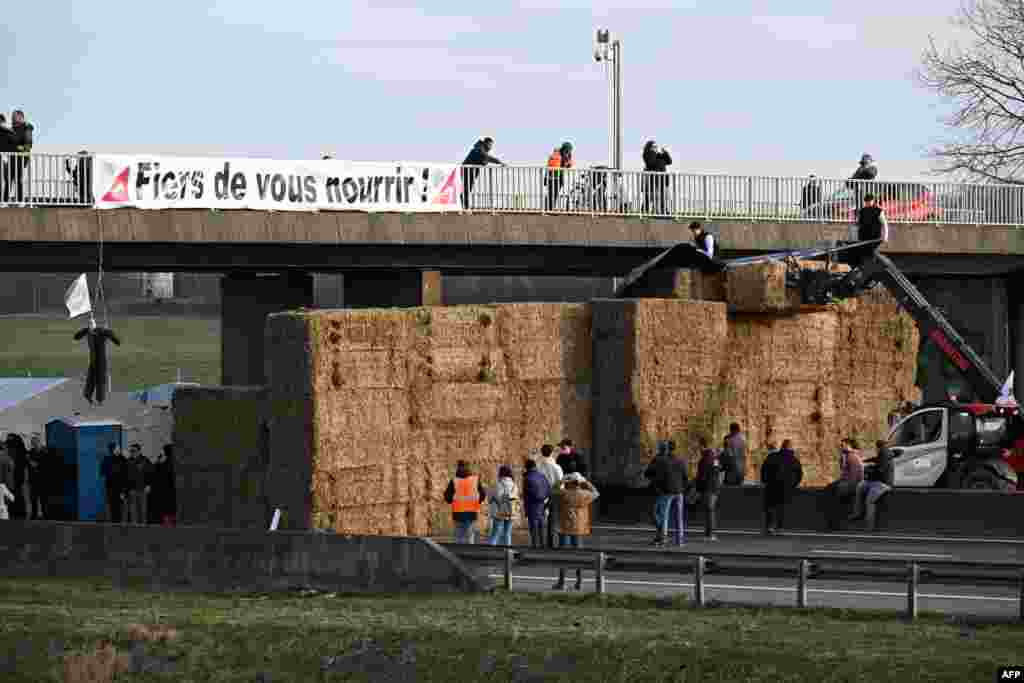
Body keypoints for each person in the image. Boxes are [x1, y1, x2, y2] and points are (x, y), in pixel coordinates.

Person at [551, 463, 600, 591]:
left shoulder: (563, 494)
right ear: (578, 483)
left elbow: (552, 490)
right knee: (579, 555)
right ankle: (579, 581)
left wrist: (561, 480)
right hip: (579, 527)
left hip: (565, 527)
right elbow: (596, 492)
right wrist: (585, 482)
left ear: (569, 483)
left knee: (563, 555)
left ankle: (561, 582)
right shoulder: (584, 494)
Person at [73, 320, 122, 405]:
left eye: (92, 324)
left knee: (101, 380)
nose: (91, 326)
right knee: (90, 379)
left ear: (95, 325)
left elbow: (115, 339)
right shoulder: (87, 331)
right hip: (92, 360)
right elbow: (76, 337)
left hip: (101, 361)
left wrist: (109, 332)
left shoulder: (101, 331)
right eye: (89, 325)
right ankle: (88, 395)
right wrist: (84, 330)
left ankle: (100, 399)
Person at [760, 439, 803, 534]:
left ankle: (769, 527)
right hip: (786, 487)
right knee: (781, 508)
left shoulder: (772, 456)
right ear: (791, 448)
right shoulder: (794, 460)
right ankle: (780, 528)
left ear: (782, 447)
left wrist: (765, 481)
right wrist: (793, 484)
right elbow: (799, 474)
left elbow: (764, 469)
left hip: (771, 486)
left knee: (770, 506)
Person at [851, 441, 894, 531]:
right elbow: (876, 459)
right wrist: (866, 460)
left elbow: (881, 470)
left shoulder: (885, 454)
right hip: (874, 481)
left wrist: (869, 468)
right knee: (860, 487)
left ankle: (869, 526)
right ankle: (858, 513)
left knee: (869, 501)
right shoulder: (883, 453)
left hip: (883, 483)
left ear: (877, 447)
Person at [443, 460, 487, 544]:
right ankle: (469, 555)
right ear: (468, 467)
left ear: (458, 468)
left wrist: (453, 500)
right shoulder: (475, 480)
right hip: (471, 513)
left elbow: (447, 496)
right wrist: (476, 502)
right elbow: (483, 494)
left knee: (459, 537)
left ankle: (457, 555)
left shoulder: (454, 481)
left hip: (458, 513)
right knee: (469, 536)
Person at [825, 438, 864, 530]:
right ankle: (833, 523)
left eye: (843, 445)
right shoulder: (849, 456)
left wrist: (839, 484)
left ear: (849, 445)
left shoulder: (852, 457)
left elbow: (853, 477)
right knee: (831, 490)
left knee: (832, 496)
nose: (841, 447)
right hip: (849, 483)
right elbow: (844, 472)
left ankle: (834, 523)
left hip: (851, 484)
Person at [460, 136, 504, 209]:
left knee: (467, 189)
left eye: (491, 145)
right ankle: (465, 206)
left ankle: (465, 205)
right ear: (485, 143)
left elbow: (484, 159)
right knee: (466, 189)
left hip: (470, 172)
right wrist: (499, 162)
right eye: (490, 145)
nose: (491, 147)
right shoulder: (479, 149)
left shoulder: (480, 149)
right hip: (467, 171)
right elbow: (486, 157)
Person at [535, 444, 564, 547]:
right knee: (552, 519)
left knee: (540, 518)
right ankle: (550, 543)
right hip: (553, 494)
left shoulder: (537, 466)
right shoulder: (556, 467)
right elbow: (561, 483)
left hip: (539, 494)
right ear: (552, 453)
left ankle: (539, 542)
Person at [695, 436, 723, 541]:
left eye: (699, 446)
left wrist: (698, 487)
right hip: (715, 486)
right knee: (710, 510)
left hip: (708, 487)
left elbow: (702, 475)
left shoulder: (705, 459)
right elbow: (718, 469)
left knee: (709, 510)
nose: (698, 449)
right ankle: (709, 533)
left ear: (702, 446)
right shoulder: (714, 457)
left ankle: (710, 534)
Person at [522, 458, 551, 548]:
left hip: (532, 505)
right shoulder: (542, 476)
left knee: (533, 528)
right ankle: (542, 545)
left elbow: (527, 494)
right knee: (542, 526)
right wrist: (545, 501)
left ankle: (535, 546)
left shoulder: (527, 478)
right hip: (542, 505)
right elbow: (548, 490)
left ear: (526, 467)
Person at [487, 464, 518, 546]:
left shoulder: (496, 484)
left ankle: (491, 553)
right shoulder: (514, 485)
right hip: (511, 512)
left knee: (495, 534)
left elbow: (490, 499)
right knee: (507, 534)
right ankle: (508, 553)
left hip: (498, 512)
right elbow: (515, 498)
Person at [9, 110, 33, 203]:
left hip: (21, 157)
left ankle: (20, 200)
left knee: (17, 178)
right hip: (13, 157)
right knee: (9, 178)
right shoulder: (13, 129)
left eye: (14, 116)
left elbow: (28, 145)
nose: (12, 118)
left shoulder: (26, 127)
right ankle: (6, 200)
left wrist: (17, 147)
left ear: (20, 117)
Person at [642, 140, 672, 214]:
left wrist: (665, 153)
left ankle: (663, 210)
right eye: (654, 147)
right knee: (650, 195)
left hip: (662, 179)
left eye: (656, 147)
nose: (656, 148)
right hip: (653, 178)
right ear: (650, 147)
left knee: (662, 196)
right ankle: (645, 210)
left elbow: (669, 161)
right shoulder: (648, 154)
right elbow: (651, 163)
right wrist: (654, 153)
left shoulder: (658, 155)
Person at [149, 444, 177, 526]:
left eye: (162, 450)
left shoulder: (165, 463)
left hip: (166, 491)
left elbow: (157, 474)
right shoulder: (167, 462)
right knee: (169, 510)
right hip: (169, 490)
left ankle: (168, 523)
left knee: (167, 510)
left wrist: (158, 463)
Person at [544, 142, 573, 211]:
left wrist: (567, 163)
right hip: (552, 177)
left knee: (554, 194)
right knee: (551, 194)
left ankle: (550, 209)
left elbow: (568, 165)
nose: (569, 152)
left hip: (558, 177)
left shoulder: (566, 155)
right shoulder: (557, 155)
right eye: (568, 150)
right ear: (564, 149)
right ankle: (548, 209)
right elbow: (555, 166)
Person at [100, 443, 124, 523]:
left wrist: (123, 490)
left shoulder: (122, 459)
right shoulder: (107, 459)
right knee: (111, 506)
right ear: (113, 450)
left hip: (120, 488)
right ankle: (111, 523)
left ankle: (119, 523)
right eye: (118, 448)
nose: (119, 449)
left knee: (120, 507)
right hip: (110, 487)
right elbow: (102, 472)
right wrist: (111, 472)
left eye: (119, 448)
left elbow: (126, 474)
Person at [6, 434, 28, 519]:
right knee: (15, 496)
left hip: (17, 478)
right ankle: (17, 513)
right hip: (15, 479)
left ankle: (17, 513)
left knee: (16, 495)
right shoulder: (18, 451)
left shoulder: (18, 452)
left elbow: (20, 466)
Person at [26, 434, 46, 519]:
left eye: (34, 442)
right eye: (32, 442)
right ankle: (34, 514)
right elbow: (28, 465)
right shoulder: (30, 452)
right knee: (33, 498)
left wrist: (33, 463)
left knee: (43, 499)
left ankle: (44, 514)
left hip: (42, 479)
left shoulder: (44, 452)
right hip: (33, 479)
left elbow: (43, 465)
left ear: (39, 442)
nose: (33, 444)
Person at [0, 114, 14, 203]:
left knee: (6, 179)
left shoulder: (7, 131)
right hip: (6, 158)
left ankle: (3, 200)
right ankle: (4, 200)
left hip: (5, 158)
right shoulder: (9, 131)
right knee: (7, 179)